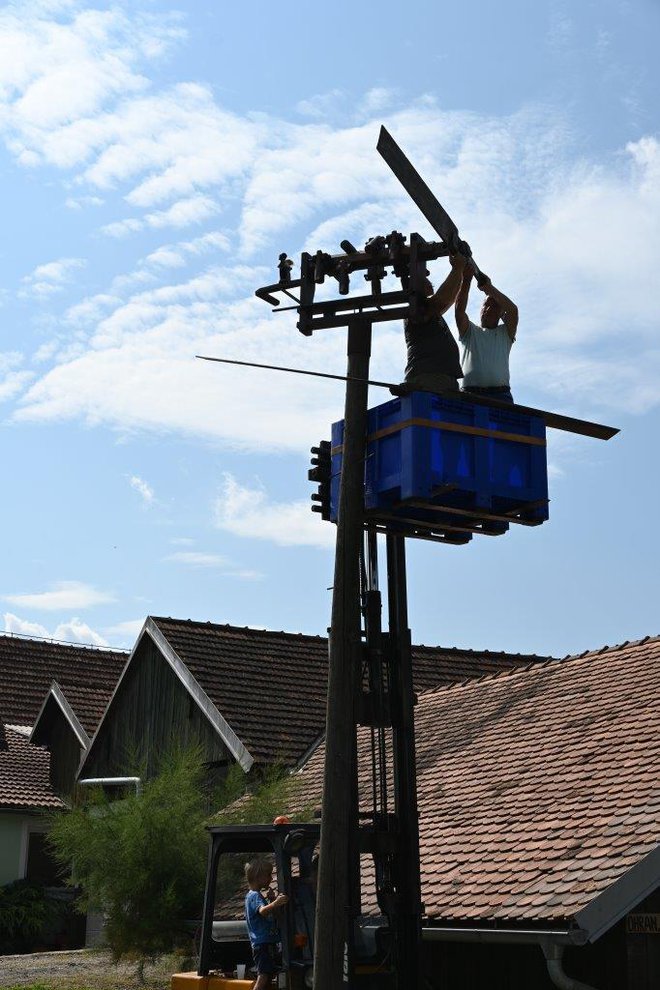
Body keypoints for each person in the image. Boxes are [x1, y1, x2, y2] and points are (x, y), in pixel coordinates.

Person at [403, 252, 467, 394]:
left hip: (440, 379)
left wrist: (460, 270)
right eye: (423, 277)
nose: (428, 279)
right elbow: (442, 300)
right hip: (429, 378)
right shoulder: (417, 309)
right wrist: (457, 269)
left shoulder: (430, 309)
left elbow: (447, 300)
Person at [454, 267, 518, 404]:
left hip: (501, 395)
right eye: (485, 305)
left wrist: (489, 289)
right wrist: (466, 279)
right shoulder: (470, 331)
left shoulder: (505, 333)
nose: (488, 309)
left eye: (494, 306)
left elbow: (513, 311)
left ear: (501, 314)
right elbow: (459, 312)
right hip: (470, 394)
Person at [244, 858, 288, 990]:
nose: (271, 877)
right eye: (268, 875)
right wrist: (275, 903)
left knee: (269, 975)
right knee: (263, 975)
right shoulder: (254, 896)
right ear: (258, 877)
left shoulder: (256, 896)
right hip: (262, 944)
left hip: (266, 943)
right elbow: (263, 911)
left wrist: (272, 900)